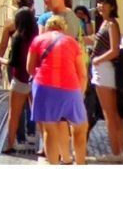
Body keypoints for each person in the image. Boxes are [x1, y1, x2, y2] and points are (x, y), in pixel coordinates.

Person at [27, 14, 88, 164]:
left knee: (50, 130)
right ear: (63, 28)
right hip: (70, 88)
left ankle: (54, 164)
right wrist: (80, 93)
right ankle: (80, 163)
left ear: (47, 27)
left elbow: (29, 68)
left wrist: (42, 76)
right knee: (80, 128)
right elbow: (82, 73)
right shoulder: (72, 42)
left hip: (44, 87)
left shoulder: (38, 40)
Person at [89, 0, 123, 163]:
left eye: (105, 3)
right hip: (102, 71)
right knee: (113, 114)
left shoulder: (111, 24)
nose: (101, 6)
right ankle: (118, 150)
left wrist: (97, 60)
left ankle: (116, 153)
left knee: (110, 114)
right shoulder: (105, 23)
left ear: (112, 6)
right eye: (99, 2)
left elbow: (114, 51)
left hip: (105, 71)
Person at [0, 0, 38, 148]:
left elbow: (3, 46)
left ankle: (18, 138)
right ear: (31, 6)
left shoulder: (11, 27)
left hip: (16, 68)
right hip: (33, 71)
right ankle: (32, 132)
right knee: (32, 104)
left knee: (16, 106)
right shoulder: (36, 28)